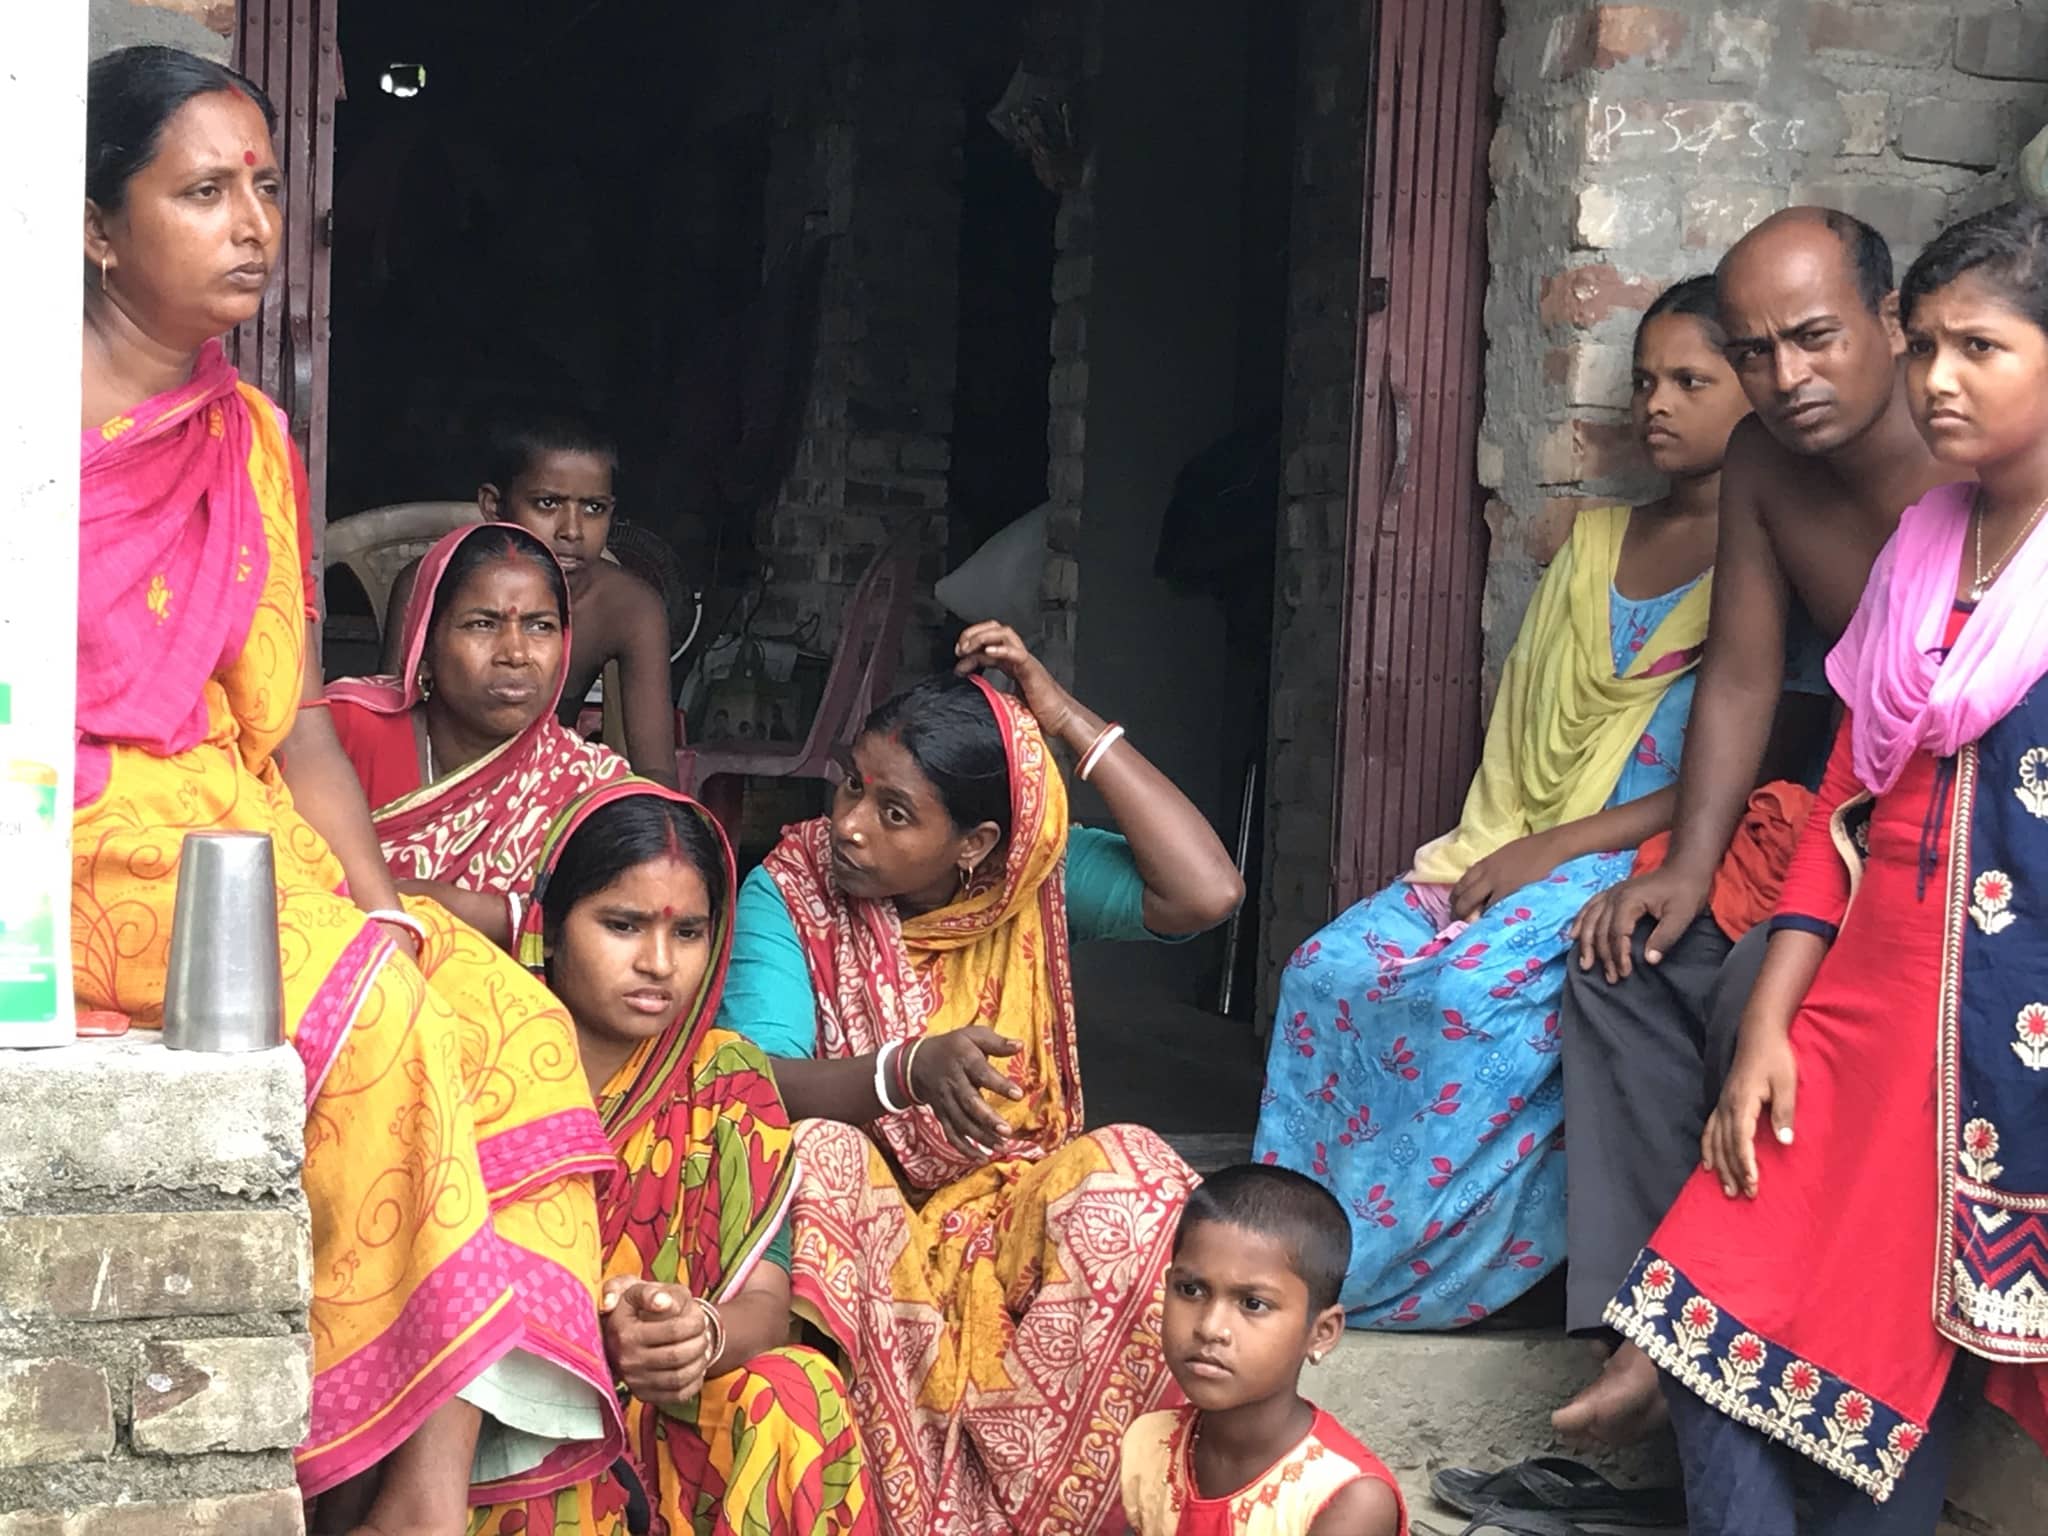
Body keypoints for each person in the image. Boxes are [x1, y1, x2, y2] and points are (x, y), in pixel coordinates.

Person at [75, 47, 619, 1535]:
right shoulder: (27, 429)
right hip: (77, 836)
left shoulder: (246, 435)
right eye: (202, 192)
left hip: (235, 834)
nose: (253, 222)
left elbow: (295, 715)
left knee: (496, 1005)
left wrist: (381, 900)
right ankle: (344, 1459)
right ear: (97, 228)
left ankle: (428, 1489)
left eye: (263, 187)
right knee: (372, 1011)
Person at [1605, 200, 2048, 1536]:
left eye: (1980, 348)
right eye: (1927, 350)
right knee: (1713, 1309)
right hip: (1863, 1003)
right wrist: (1774, 1021)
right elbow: (1849, 804)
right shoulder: (1928, 550)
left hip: (2004, 1044)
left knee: (1888, 1368)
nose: (1938, 382)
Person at [1252, 278, 1751, 1327]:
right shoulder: (1596, 545)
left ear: (1752, 388)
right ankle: (1283, 1259)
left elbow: (1728, 770)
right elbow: (1524, 736)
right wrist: (1507, 847)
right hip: (1514, 833)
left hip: (1635, 850)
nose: (1656, 403)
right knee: (1323, 969)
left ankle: (1397, 1289)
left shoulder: (1762, 567)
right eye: (1645, 380)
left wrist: (1560, 849)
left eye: (1690, 381)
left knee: (1460, 998)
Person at [1554, 208, 1958, 1445]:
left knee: (1755, 1017)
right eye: (1752, 351)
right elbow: (1735, 675)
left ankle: (1699, 1328)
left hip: (1936, 851)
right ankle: (1634, 1315)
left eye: (1813, 338)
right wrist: (1680, 866)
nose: (1783, 378)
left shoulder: (1972, 473)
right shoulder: (1763, 472)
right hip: (1836, 819)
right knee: (1621, 963)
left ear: (1892, 327)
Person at [716, 621, 1244, 1536]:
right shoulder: (793, 884)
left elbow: (1206, 893)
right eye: (851, 783)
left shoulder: (1028, 879)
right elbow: (751, 1077)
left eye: (894, 813)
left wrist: (1067, 719)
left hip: (1006, 1210)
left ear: (977, 844)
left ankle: (1042, 1506)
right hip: (865, 1222)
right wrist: (901, 1071)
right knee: (826, 1152)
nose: (847, 823)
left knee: (1135, 1169)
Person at [468, 780, 877, 1535]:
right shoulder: (482, 1064)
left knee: (795, 1389)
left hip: (671, 1414)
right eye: (623, 925)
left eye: (688, 932)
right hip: (505, 1401)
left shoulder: (728, 1083)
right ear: (551, 928)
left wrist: (696, 1332)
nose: (659, 963)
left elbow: (766, 1298)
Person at [327, 522, 629, 949]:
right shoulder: (341, 733)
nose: (516, 654)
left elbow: (614, 922)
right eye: (482, 625)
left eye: (540, 626)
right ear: (424, 648)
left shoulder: (584, 783)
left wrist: (429, 900)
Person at [379, 410, 678, 786]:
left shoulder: (629, 607)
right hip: (430, 790)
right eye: (548, 504)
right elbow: (386, 725)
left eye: (593, 508)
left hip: (545, 800)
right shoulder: (430, 583)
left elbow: (656, 770)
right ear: (493, 506)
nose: (572, 530)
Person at [1121, 1164, 1407, 1536]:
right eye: (1191, 1290)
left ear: (1321, 1333)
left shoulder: (1346, 1500)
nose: (1210, 1328)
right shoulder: (1151, 1443)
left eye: (1253, 1304)